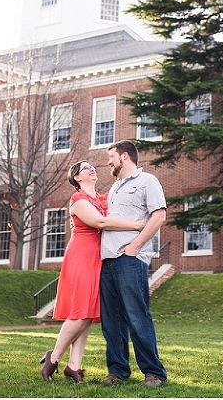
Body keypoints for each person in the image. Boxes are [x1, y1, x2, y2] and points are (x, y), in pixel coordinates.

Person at [40, 161, 146, 383]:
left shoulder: (102, 198)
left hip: (98, 257)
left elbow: (119, 205)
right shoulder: (78, 200)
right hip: (81, 256)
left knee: (87, 313)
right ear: (77, 178)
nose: (92, 169)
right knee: (80, 312)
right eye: (86, 168)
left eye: (92, 167)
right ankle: (54, 358)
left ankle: (74, 366)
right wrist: (137, 226)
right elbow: (100, 221)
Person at [99, 140, 168, 387]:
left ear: (125, 156)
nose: (109, 162)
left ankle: (154, 373)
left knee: (137, 317)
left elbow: (159, 216)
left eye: (111, 156)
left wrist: (135, 247)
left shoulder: (147, 181)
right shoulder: (115, 188)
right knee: (112, 321)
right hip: (107, 261)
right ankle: (117, 371)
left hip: (130, 260)